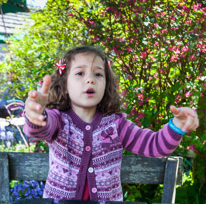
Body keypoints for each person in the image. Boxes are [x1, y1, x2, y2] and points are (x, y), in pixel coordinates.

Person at [23, 46, 199, 202]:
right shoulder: (57, 120)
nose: (90, 79)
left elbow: (154, 145)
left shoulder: (117, 125)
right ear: (65, 86)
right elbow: (39, 130)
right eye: (80, 73)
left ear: (105, 84)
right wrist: (36, 115)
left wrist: (176, 126)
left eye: (98, 74)